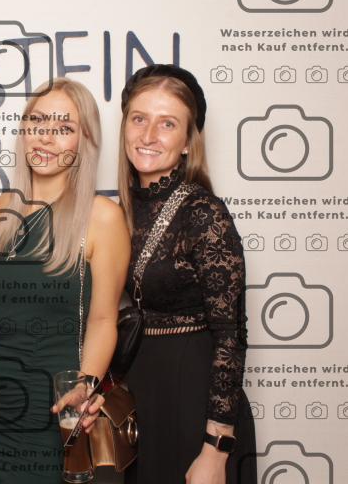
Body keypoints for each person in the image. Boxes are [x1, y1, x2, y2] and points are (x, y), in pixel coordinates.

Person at [0, 78, 130, 483]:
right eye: (38, 122)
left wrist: (85, 386)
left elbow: (103, 320)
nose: (46, 136)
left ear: (84, 142)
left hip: (59, 413)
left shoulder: (102, 218)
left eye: (63, 127)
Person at [117, 65, 256, 484]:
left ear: (187, 142)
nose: (148, 135)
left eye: (167, 124)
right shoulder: (122, 210)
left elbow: (231, 335)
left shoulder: (203, 213)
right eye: (139, 119)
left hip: (192, 400)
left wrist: (215, 449)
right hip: (141, 397)